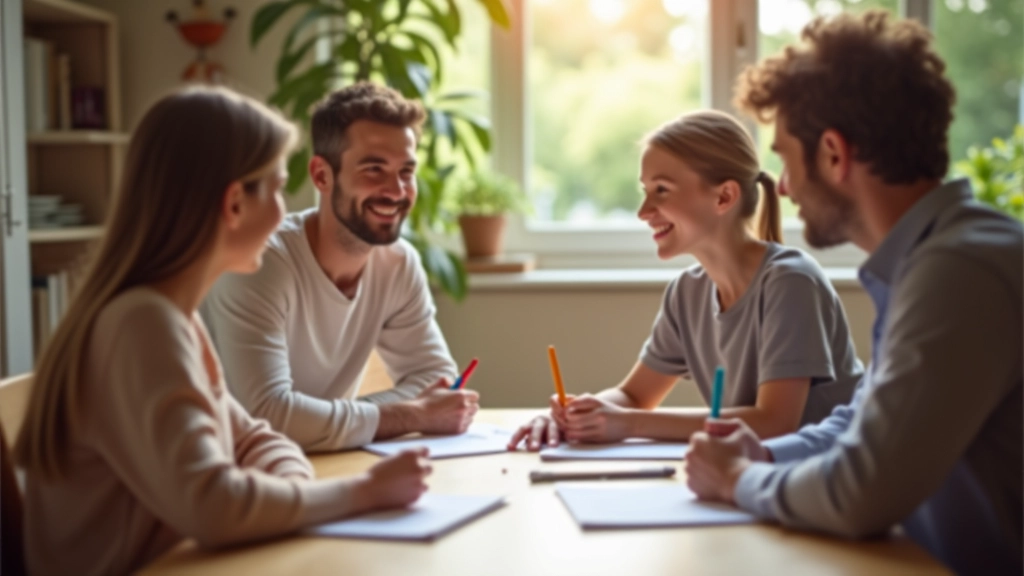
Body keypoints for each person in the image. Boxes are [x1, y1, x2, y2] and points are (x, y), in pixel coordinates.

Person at [14, 86, 432, 576]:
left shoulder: (170, 317)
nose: (283, 212)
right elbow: (213, 507)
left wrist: (297, 490)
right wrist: (363, 491)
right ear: (234, 203)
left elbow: (255, 437)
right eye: (275, 190)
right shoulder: (140, 326)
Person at [683, 11, 1022, 576]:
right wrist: (764, 452)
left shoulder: (961, 271)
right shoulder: (928, 260)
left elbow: (864, 489)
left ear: (835, 155)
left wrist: (738, 479)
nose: (783, 187)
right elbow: (861, 419)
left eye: (787, 159)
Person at [509, 110, 863, 451]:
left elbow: (773, 423)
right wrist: (572, 416)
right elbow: (633, 396)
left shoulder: (790, 283)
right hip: (752, 475)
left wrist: (629, 423)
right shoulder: (687, 292)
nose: (644, 211)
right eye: (645, 190)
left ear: (723, 196)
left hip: (821, 479)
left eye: (661, 190)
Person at [203, 82, 478, 452]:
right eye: (373, 169)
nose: (396, 191)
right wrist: (410, 415)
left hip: (320, 464)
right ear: (321, 176)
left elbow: (436, 381)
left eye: (406, 171)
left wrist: (330, 419)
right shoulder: (260, 262)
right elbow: (268, 416)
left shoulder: (397, 262)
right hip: (232, 471)